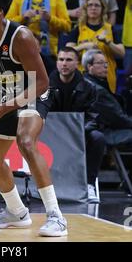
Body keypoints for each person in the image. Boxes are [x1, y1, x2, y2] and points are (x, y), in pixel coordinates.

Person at [0, 0, 67, 236]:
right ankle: (16, 212)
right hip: (2, 92)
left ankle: (56, 216)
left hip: (33, 90)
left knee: (26, 141)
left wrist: (3, 109)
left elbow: (42, 81)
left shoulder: (20, 37)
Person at [47, 47, 106, 203]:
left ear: (77, 63)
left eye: (69, 60)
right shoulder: (45, 85)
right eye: (61, 59)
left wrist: (77, 132)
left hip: (79, 133)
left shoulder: (89, 87)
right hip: (50, 133)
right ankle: (40, 187)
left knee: (98, 138)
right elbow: (40, 113)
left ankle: (89, 185)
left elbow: (94, 117)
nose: (64, 63)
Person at [6, 0, 71, 75]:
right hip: (22, 51)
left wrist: (50, 18)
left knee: (46, 88)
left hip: (48, 53)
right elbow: (6, 24)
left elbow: (67, 26)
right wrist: (23, 17)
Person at [66, 0, 125, 93]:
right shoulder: (78, 29)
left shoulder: (110, 29)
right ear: (85, 8)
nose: (93, 8)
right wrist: (84, 46)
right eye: (90, 5)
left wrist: (107, 42)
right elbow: (67, 52)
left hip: (107, 75)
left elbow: (122, 53)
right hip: (82, 76)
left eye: (97, 5)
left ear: (102, 9)